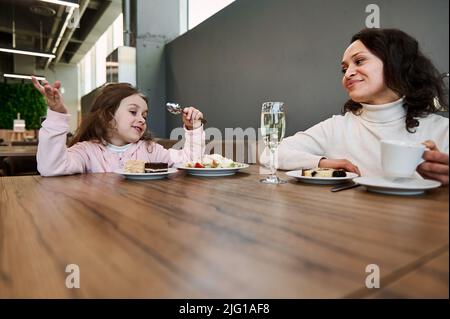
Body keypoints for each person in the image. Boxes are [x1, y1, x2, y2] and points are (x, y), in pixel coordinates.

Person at [261, 28, 449, 185]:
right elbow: (270, 154)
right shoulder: (337, 127)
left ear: (395, 63)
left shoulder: (442, 130)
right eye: (344, 69)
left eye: (359, 61)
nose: (348, 73)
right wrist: (322, 162)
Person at [31, 77, 205, 176]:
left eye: (144, 115)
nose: (142, 119)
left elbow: (190, 163)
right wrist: (57, 115)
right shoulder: (86, 151)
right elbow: (51, 167)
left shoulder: (151, 150)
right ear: (107, 116)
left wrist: (194, 128)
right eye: (133, 112)